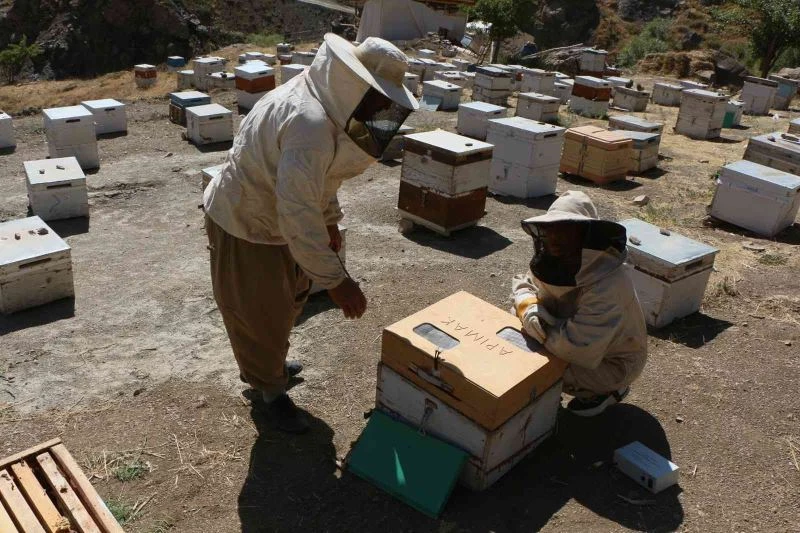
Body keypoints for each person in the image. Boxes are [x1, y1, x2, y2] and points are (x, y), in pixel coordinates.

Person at [203, 34, 419, 433]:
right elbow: (298, 212)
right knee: (261, 313)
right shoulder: (310, 125)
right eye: (377, 99)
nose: (381, 111)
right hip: (247, 223)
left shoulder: (321, 106)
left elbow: (320, 181)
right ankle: (270, 393)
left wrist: (330, 219)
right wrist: (337, 281)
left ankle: (271, 364)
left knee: (290, 298)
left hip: (275, 217)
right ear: (354, 85)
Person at [510, 191, 648, 417]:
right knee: (515, 335)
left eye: (565, 230)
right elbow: (523, 283)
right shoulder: (552, 260)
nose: (554, 238)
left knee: (531, 365)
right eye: (550, 229)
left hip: (610, 360)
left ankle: (608, 389)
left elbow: (576, 348)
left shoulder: (610, 283)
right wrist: (528, 307)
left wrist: (537, 326)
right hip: (564, 335)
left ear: (585, 235)